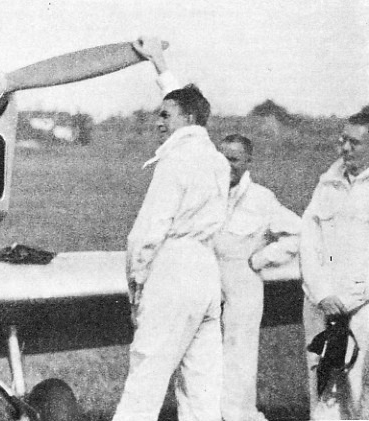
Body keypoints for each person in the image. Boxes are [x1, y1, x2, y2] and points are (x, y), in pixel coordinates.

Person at [112, 36, 230, 421]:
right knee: (202, 388)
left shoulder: (175, 160)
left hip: (173, 271)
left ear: (187, 120)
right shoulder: (218, 161)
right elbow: (185, 101)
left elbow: (145, 236)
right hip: (207, 278)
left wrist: (136, 286)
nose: (157, 122)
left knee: (145, 381)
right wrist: (160, 64)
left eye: (165, 115)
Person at [214, 134, 301, 421]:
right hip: (207, 282)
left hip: (243, 284)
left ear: (248, 161)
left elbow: (299, 233)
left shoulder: (261, 199)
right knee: (202, 354)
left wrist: (264, 258)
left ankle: (238, 415)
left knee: (240, 355)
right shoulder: (204, 193)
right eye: (222, 157)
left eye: (234, 159)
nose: (227, 165)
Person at [301, 109, 369, 419]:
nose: (344, 149)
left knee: (361, 397)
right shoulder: (327, 184)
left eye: (354, 143)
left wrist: (350, 299)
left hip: (362, 307)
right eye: (343, 140)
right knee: (325, 394)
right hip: (323, 305)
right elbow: (310, 243)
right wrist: (323, 293)